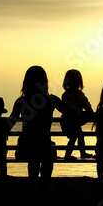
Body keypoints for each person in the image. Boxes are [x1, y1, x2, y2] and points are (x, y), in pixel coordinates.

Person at [10, 66, 65, 196]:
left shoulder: (21, 101)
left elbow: (10, 122)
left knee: (34, 155)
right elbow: (69, 112)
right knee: (47, 153)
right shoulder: (52, 100)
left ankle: (32, 185)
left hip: (24, 148)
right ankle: (43, 187)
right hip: (45, 147)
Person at [61, 69, 94, 161]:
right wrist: (81, 113)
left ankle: (81, 153)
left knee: (78, 136)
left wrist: (88, 109)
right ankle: (69, 155)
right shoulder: (66, 95)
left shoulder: (80, 94)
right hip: (68, 122)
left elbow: (85, 102)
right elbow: (71, 107)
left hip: (75, 121)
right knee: (75, 137)